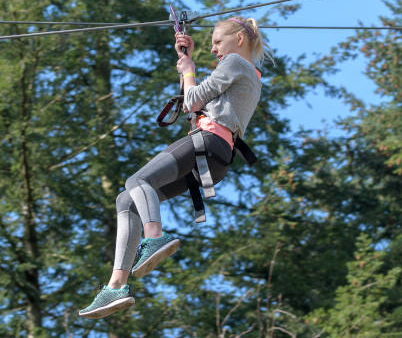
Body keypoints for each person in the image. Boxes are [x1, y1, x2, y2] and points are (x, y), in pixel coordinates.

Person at [79, 16, 265, 319]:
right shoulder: (247, 74)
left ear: (240, 39)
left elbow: (191, 102)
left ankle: (154, 237)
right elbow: (192, 101)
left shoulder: (234, 63)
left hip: (207, 141)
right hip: (217, 157)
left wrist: (190, 72)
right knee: (127, 201)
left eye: (218, 41)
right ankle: (116, 285)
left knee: (137, 181)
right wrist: (186, 64)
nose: (215, 50)